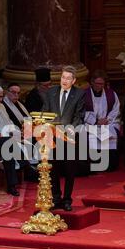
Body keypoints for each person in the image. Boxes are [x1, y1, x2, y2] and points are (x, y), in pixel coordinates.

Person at [42, 65, 85, 211]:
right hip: (52, 137)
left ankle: (67, 199)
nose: (64, 80)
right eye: (62, 77)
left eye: (68, 78)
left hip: (69, 138)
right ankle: (56, 198)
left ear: (73, 81)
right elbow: (45, 111)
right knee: (53, 169)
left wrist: (68, 132)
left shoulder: (79, 94)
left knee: (69, 170)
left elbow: (78, 116)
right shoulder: (51, 92)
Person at [84, 70, 121, 172]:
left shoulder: (111, 94)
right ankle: (94, 165)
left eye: (102, 84)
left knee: (110, 133)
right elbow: (81, 112)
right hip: (90, 124)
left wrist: (107, 120)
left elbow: (115, 110)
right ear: (92, 82)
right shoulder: (84, 95)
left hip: (107, 123)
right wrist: (95, 121)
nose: (100, 86)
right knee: (92, 134)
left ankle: (109, 165)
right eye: (98, 83)